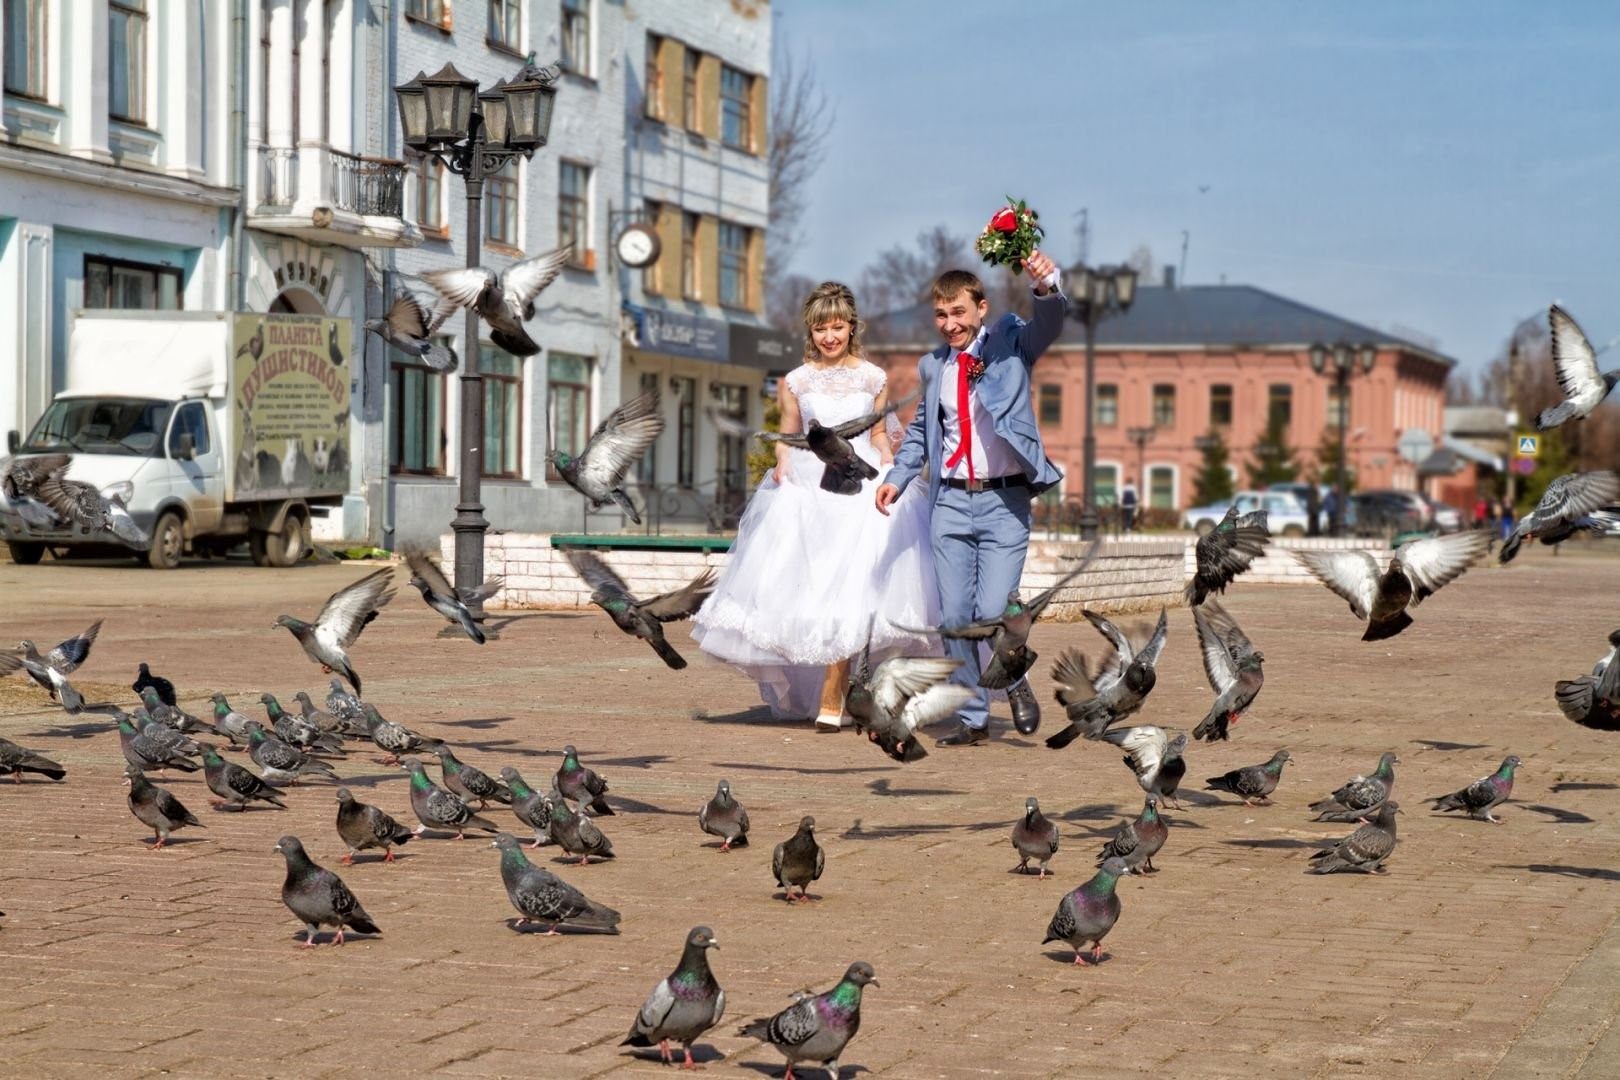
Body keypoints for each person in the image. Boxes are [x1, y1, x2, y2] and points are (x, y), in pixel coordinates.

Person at [692, 282, 938, 729]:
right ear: (810, 329)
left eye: (838, 327)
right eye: (821, 328)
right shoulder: (796, 380)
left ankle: (834, 693)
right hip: (811, 490)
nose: (830, 336)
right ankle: (827, 691)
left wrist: (887, 460)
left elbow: (880, 434)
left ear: (851, 327)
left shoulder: (873, 378)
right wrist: (783, 465)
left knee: (856, 588)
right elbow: (790, 433)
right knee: (812, 591)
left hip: (860, 490)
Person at [875, 251, 1065, 747]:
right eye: (941, 314)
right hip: (951, 503)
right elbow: (922, 428)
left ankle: (1015, 675)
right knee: (956, 618)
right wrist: (898, 475)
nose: (949, 323)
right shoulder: (932, 366)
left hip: (1005, 503)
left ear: (981, 308)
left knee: (995, 611)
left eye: (958, 312)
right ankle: (974, 717)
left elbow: (1049, 323)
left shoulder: (1009, 344)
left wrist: (1046, 285)